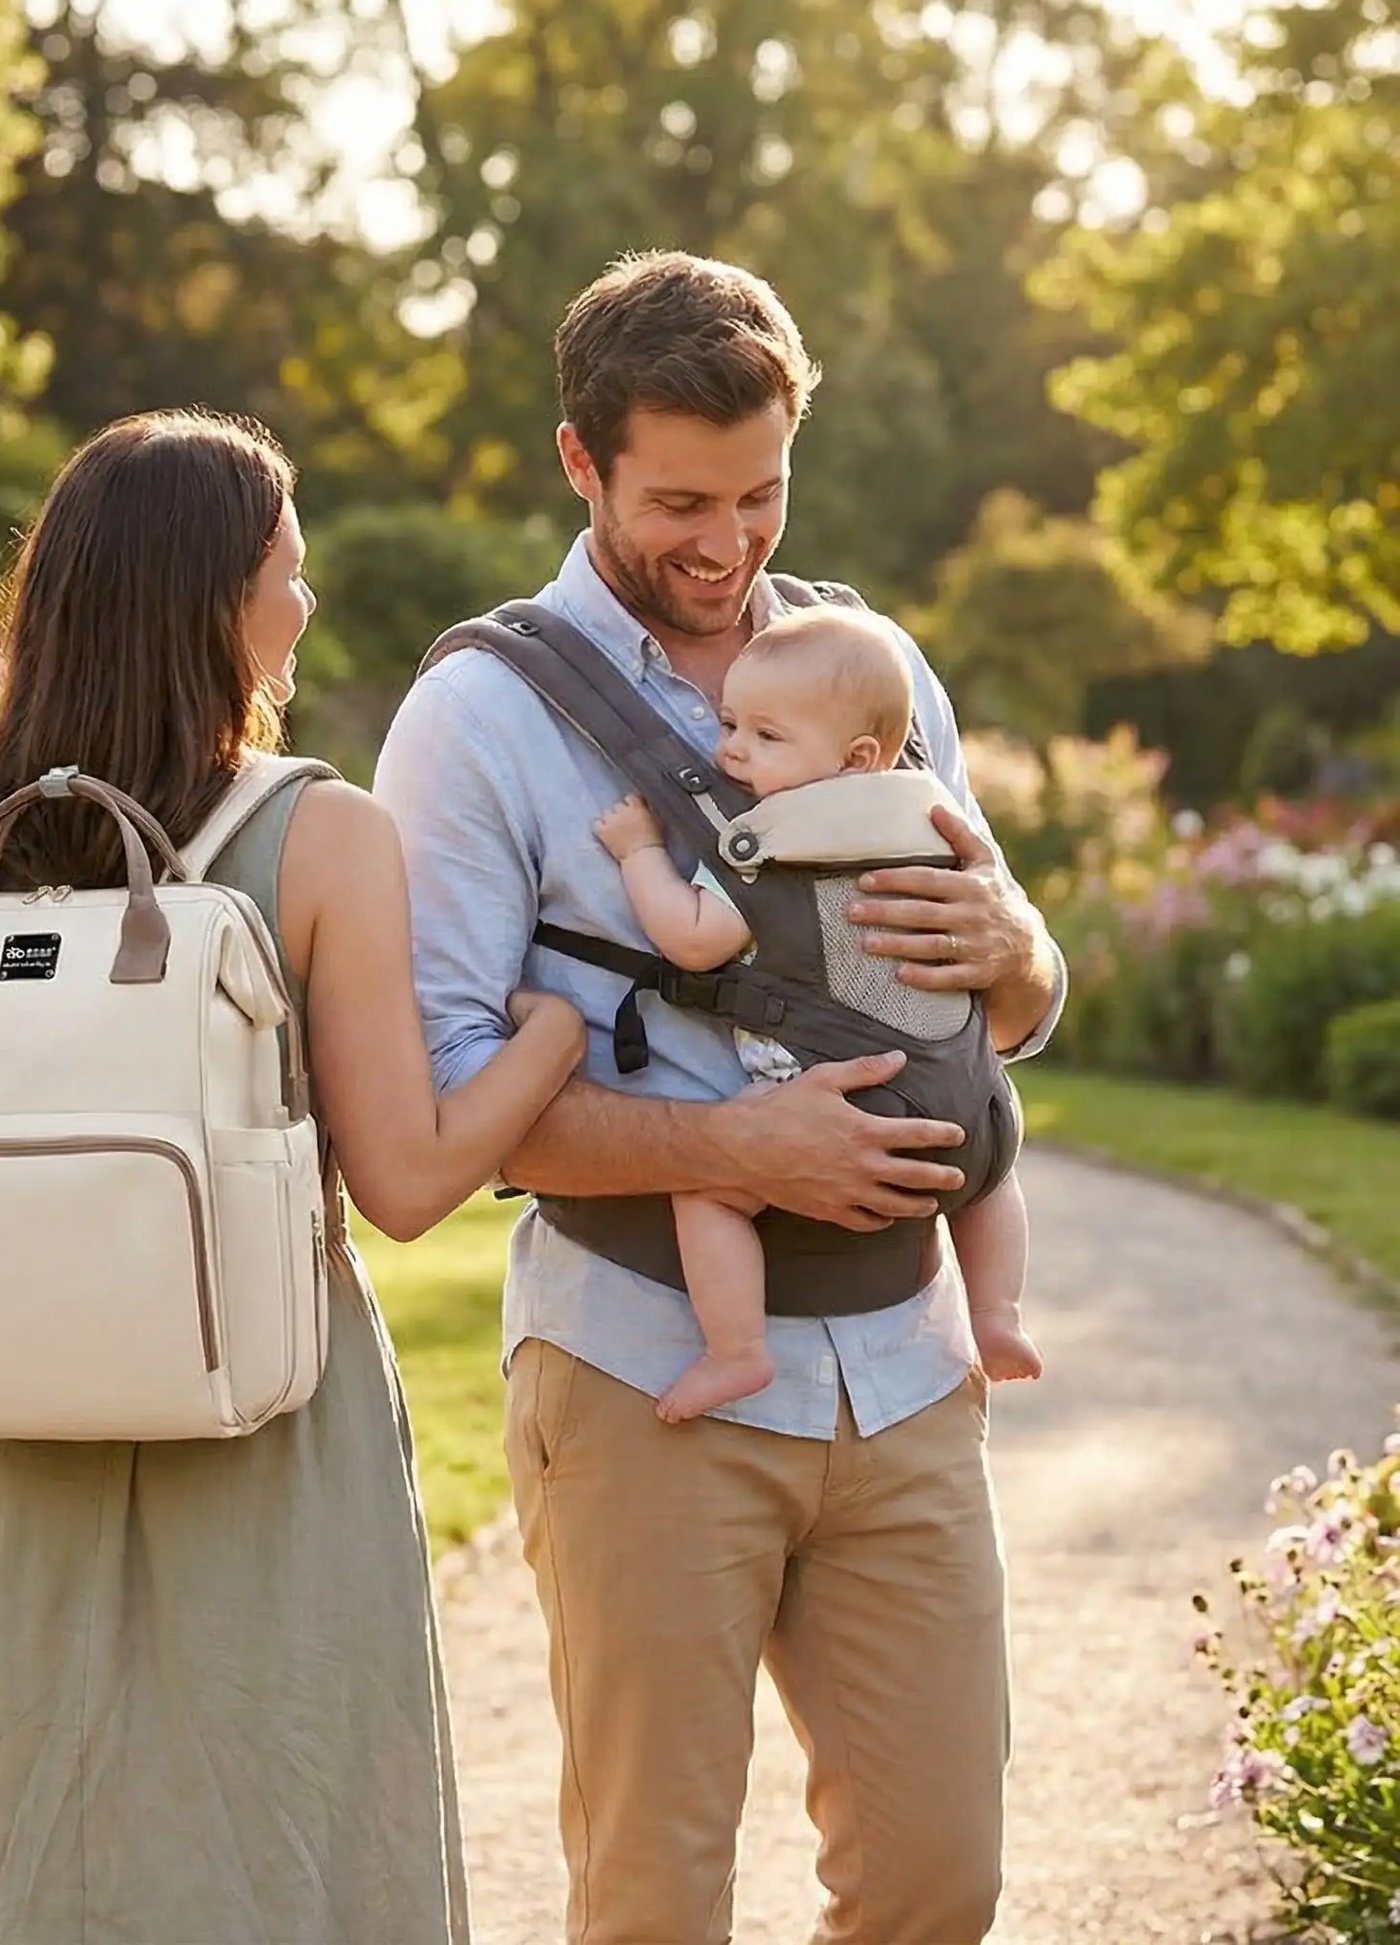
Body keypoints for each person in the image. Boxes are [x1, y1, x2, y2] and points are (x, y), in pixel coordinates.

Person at [374, 251, 1067, 1944]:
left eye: (760, 493)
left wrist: (1021, 945)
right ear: (579, 462)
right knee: (656, 1898)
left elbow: (1010, 1004)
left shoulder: (869, 664)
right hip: (643, 1359)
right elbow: (433, 1094)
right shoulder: (474, 720)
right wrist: (728, 1143)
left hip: (904, 1369)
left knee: (936, 1880)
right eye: (679, 497)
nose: (726, 541)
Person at [0, 408, 584, 1945]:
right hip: (263, 1412)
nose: (304, 605)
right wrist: (545, 1037)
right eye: (288, 570)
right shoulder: (317, 832)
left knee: (34, 1836)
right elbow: (401, 1180)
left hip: (15, 1422)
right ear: (213, 599)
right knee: (283, 1821)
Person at [591, 605, 1040, 1425]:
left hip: (849, 1111)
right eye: (730, 723)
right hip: (973, 1110)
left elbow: (693, 940)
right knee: (991, 1179)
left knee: (709, 1192)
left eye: (766, 738)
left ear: (854, 757)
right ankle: (997, 1314)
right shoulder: (931, 825)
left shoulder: (779, 846)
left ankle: (736, 1353)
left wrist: (639, 853)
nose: (732, 751)